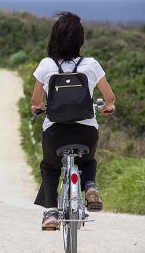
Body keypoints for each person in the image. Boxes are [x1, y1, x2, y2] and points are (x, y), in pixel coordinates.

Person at [30, 12, 116, 229]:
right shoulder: (91, 64)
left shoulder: (47, 65)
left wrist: (38, 108)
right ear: (80, 39)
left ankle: (50, 213)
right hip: (86, 132)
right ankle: (91, 185)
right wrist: (108, 107)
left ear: (55, 37)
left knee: (50, 167)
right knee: (88, 161)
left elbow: (36, 101)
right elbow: (110, 97)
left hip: (56, 133)